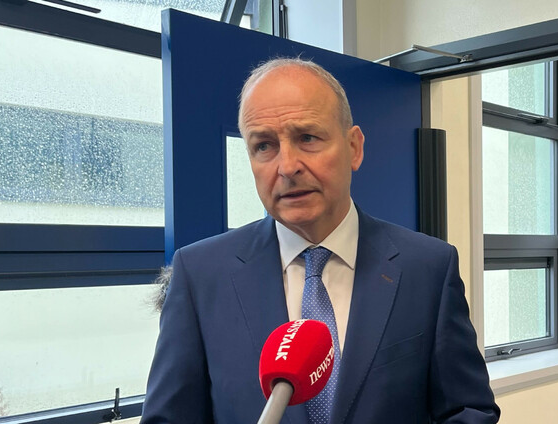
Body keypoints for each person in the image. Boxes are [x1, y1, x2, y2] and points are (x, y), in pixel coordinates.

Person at [141, 58, 500, 423]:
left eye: (307, 138)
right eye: (264, 146)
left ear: (354, 147)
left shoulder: (428, 267)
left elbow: (468, 411)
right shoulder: (200, 275)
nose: (287, 166)